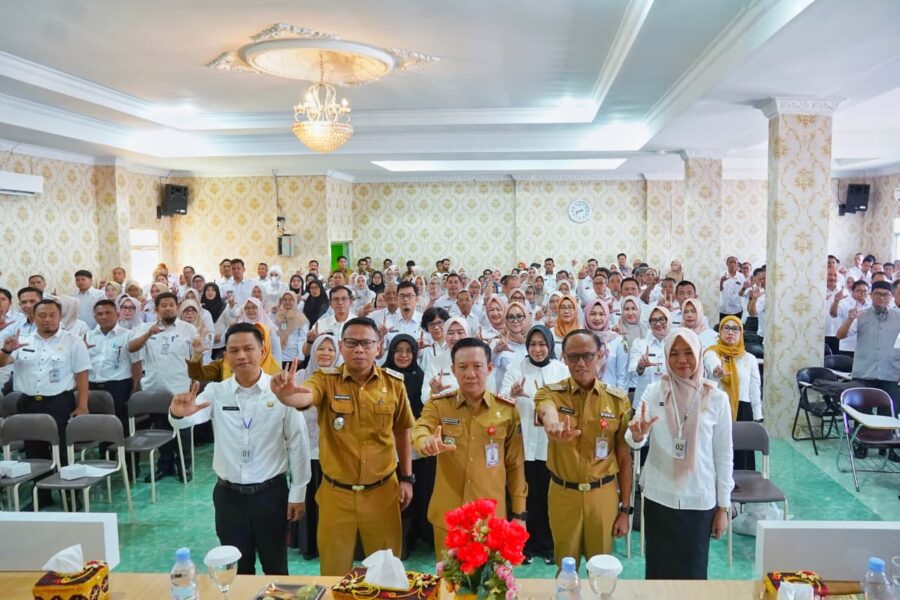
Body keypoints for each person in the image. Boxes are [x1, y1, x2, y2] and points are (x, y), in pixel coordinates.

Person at [271, 317, 415, 576]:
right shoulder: (326, 379)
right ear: (341, 346)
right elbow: (305, 395)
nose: (359, 349)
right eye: (351, 342)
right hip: (337, 494)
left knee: (386, 574)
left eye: (366, 343)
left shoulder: (394, 384)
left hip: (382, 493)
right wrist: (288, 395)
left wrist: (406, 478)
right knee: (334, 573)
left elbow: (403, 431)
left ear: (378, 347)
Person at [169, 322, 311, 575]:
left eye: (248, 348)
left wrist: (298, 492)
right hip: (229, 497)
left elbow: (298, 443)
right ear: (226, 356)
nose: (242, 355)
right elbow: (188, 419)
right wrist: (179, 413)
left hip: (271, 494)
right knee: (237, 571)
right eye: (234, 350)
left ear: (262, 351)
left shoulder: (280, 392)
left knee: (276, 567)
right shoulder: (216, 391)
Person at [626, 328, 734, 580]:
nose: (681, 360)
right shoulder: (654, 391)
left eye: (688, 353)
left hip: (699, 498)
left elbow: (724, 456)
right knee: (658, 572)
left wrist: (723, 507)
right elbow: (632, 438)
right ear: (666, 356)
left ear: (698, 354)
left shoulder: (716, 398)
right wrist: (638, 435)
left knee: (693, 574)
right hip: (659, 496)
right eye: (674, 353)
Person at [412, 337, 527, 560]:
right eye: (463, 367)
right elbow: (421, 428)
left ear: (489, 368)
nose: (470, 374)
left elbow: (515, 465)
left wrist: (519, 514)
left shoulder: (507, 411)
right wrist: (425, 442)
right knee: (449, 578)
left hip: (490, 518)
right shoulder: (439, 405)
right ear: (453, 370)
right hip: (449, 516)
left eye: (477, 366)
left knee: (490, 579)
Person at [534, 329, 633, 567]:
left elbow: (623, 458)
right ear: (564, 358)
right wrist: (553, 425)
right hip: (563, 494)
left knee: (601, 568)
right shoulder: (550, 392)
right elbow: (546, 409)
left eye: (588, 356)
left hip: (602, 495)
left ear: (600, 356)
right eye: (573, 357)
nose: (580, 363)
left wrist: (625, 510)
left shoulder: (617, 400)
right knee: (565, 567)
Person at [0, 299, 91, 504]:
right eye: (42, 316)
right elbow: (2, 363)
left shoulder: (73, 341)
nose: (47, 320)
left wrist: (83, 405)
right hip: (28, 403)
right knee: (34, 451)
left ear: (60, 317)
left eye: (52, 315)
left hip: (59, 402)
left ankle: (70, 496)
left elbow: (82, 374)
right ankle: (42, 496)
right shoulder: (22, 340)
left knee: (63, 450)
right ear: (34, 317)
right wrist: (6, 351)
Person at [501, 325, 568, 564]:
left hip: (551, 443)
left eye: (542, 344)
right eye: (532, 344)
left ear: (550, 345)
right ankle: (526, 546)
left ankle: (549, 545)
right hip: (525, 440)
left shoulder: (561, 370)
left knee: (549, 495)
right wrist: (513, 393)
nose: (537, 349)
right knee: (527, 495)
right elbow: (502, 398)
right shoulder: (516, 367)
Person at [128, 292, 197, 482]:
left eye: (171, 305)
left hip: (180, 388)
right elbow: (131, 348)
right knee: (161, 430)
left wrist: (194, 380)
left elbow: (195, 357)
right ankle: (164, 466)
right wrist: (148, 334)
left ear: (177, 307)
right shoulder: (145, 327)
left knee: (182, 430)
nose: (168, 308)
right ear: (156, 309)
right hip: (155, 389)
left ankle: (185, 466)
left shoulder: (188, 329)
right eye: (163, 306)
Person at [383, 333, 434, 556]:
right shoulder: (381, 376)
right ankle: (391, 541)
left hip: (413, 447)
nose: (403, 355)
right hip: (385, 445)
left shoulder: (420, 377)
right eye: (398, 350)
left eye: (408, 351)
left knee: (412, 494)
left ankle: (409, 540)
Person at [291, 334, 340, 559]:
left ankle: (332, 544)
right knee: (308, 497)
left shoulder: (341, 377)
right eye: (321, 348)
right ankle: (309, 544)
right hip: (304, 447)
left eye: (331, 349)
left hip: (333, 450)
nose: (326, 353)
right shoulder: (301, 376)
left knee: (332, 500)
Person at [86, 299, 141, 466]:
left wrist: (135, 389)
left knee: (122, 427)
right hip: (93, 387)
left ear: (117, 315)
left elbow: (136, 364)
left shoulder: (128, 335)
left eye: (108, 313)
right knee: (101, 427)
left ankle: (129, 466)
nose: (103, 317)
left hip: (118, 387)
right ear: (94, 317)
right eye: (99, 314)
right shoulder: (88, 336)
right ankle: (106, 464)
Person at [703, 316, 762, 470]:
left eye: (735, 329)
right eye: (726, 328)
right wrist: (717, 371)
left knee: (741, 456)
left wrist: (757, 416)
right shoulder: (712, 353)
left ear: (741, 333)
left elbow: (754, 388)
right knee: (718, 452)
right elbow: (712, 366)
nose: (730, 332)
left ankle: (742, 483)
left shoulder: (750, 359)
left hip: (742, 410)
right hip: (718, 409)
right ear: (720, 332)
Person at [837, 280, 900, 416]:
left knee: (889, 417)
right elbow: (840, 335)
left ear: (891, 296)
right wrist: (849, 319)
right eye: (877, 294)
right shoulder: (860, 315)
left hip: (890, 374)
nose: (881, 297)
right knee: (861, 415)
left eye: (885, 294)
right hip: (864, 374)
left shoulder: (898, 317)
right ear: (870, 295)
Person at [629, 306, 671, 403]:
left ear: (668, 320)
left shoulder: (675, 343)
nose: (658, 324)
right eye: (654, 320)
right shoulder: (639, 343)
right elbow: (632, 371)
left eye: (662, 319)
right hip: (644, 401)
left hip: (669, 401)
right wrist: (641, 366)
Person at [274, 291, 309, 368]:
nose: (287, 302)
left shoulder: (300, 318)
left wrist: (300, 357)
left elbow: (302, 339)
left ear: (295, 301)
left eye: (290, 299)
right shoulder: (277, 315)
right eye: (285, 299)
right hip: (278, 356)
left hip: (292, 357)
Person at [718, 257, 745, 321]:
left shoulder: (741, 276)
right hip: (722, 309)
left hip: (736, 309)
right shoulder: (721, 275)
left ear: (737, 264)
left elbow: (742, 293)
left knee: (736, 326)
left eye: (735, 262)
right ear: (727, 264)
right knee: (722, 326)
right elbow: (718, 291)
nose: (733, 264)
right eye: (730, 262)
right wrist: (721, 281)